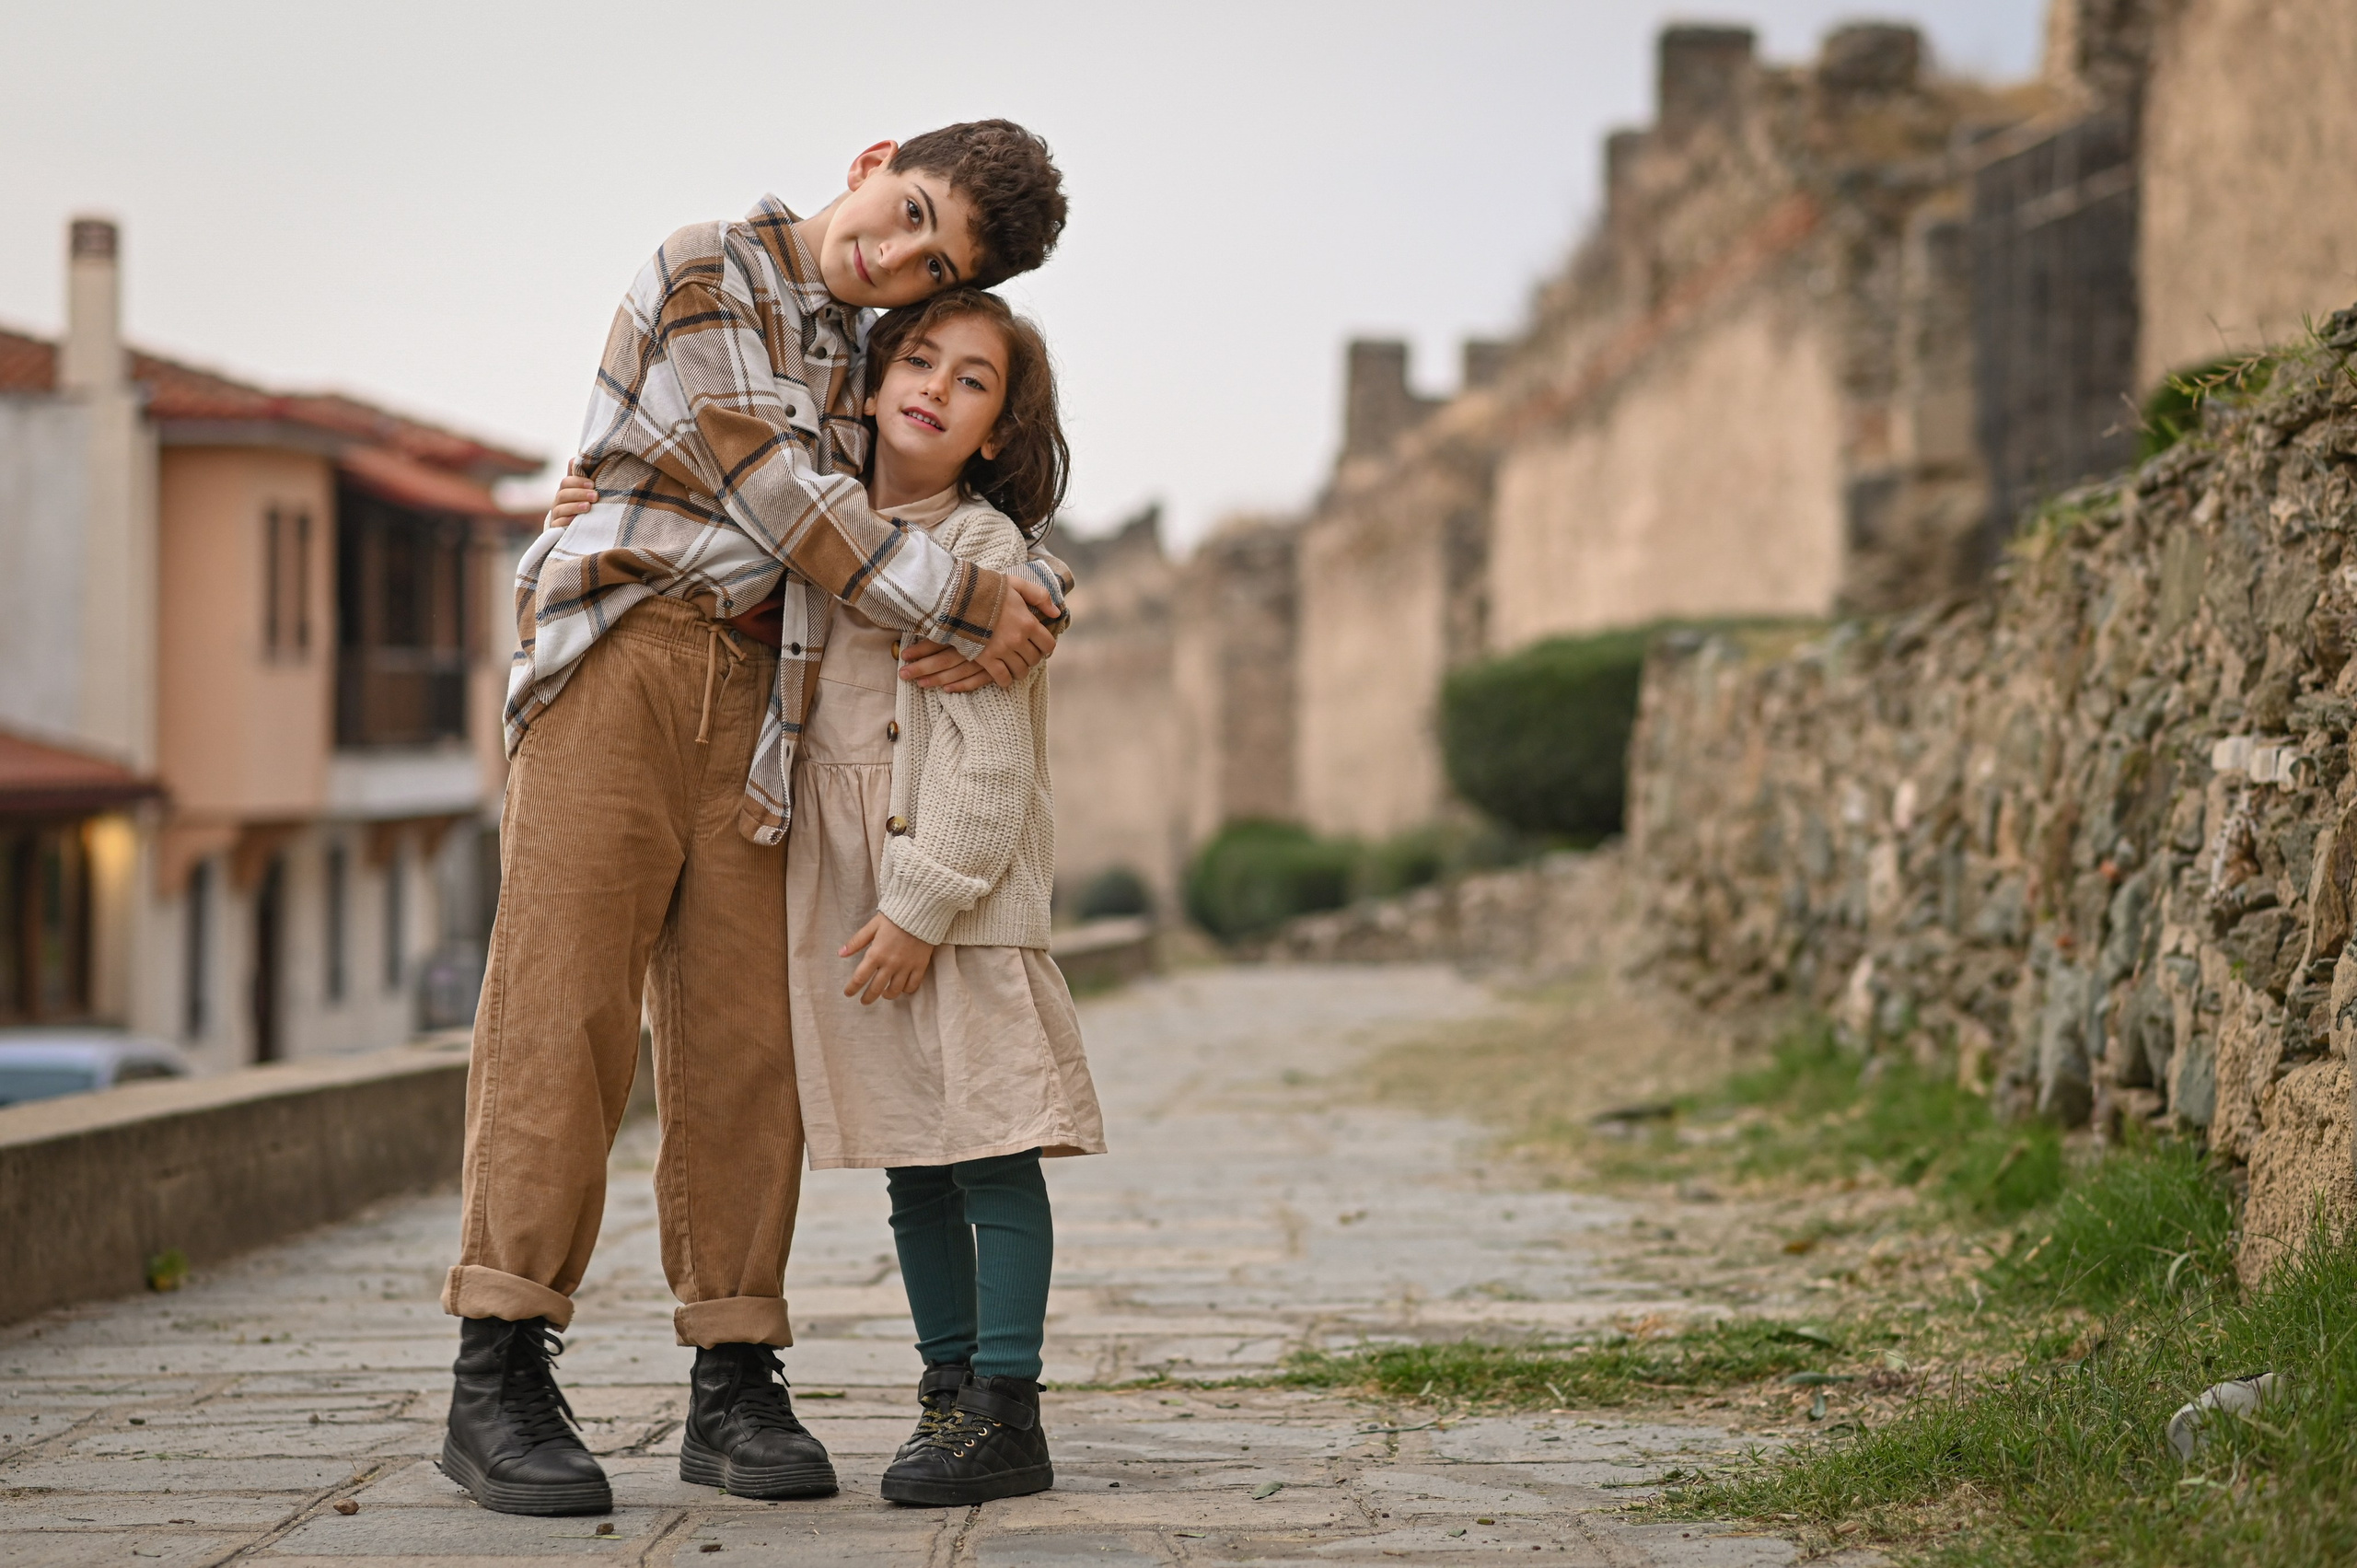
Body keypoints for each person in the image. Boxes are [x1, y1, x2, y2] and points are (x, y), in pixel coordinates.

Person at [437, 122, 1071, 1519]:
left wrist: (1035, 598)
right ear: (876, 158)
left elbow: (944, 500)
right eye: (907, 212)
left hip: (768, 703)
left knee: (744, 1035)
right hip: (623, 657)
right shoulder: (708, 266)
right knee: (566, 1008)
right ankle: (499, 1371)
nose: (897, 254)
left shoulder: (875, 348)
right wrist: (978, 608)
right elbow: (791, 504)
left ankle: (733, 1375)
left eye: (934, 261)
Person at [792, 288, 1102, 1507]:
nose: (934, 386)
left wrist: (923, 901)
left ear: (994, 431)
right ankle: (948, 1385)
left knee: (990, 1149)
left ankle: (1007, 1408)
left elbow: (990, 764)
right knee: (909, 1160)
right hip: (854, 893)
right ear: (868, 385)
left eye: (972, 380)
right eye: (917, 359)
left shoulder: (982, 555)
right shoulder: (825, 528)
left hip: (956, 896)